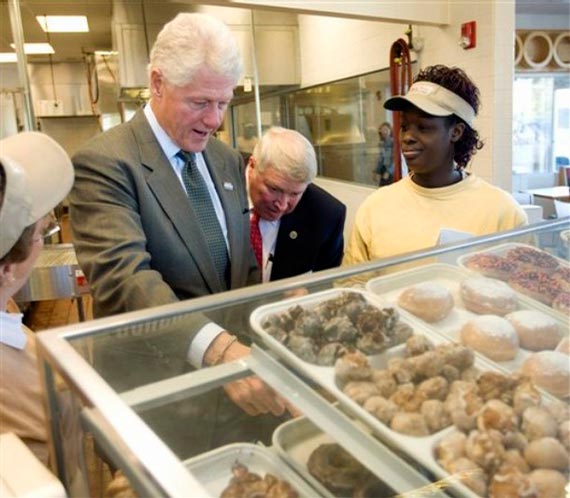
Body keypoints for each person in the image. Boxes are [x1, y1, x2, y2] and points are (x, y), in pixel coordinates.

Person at [69, 13, 291, 456]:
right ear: (157, 83)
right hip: (162, 401)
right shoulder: (106, 162)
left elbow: (239, 271)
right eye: (200, 102)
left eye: (224, 103)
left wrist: (274, 322)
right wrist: (220, 351)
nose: (214, 120)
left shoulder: (226, 159)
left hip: (234, 398)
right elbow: (126, 278)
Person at [344, 65, 528, 266]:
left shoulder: (503, 213)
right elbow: (353, 287)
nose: (407, 138)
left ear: (456, 132)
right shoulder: (374, 207)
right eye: (404, 127)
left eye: (423, 127)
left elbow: (521, 288)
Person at [0, 131, 74, 465]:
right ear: (7, 270)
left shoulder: (7, 305)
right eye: (43, 233)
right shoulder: (17, 384)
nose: (43, 239)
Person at [247, 127, 346, 282]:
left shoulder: (327, 215)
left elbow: (326, 285)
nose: (282, 205)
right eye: (274, 189)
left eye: (294, 194)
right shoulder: (218, 191)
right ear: (252, 166)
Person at [373, 122, 394, 186]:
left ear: (390, 130)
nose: (385, 132)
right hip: (384, 169)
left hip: (392, 171)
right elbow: (381, 159)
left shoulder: (394, 142)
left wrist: (388, 172)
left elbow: (395, 159)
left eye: (386, 130)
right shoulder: (381, 144)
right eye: (383, 130)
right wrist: (376, 172)